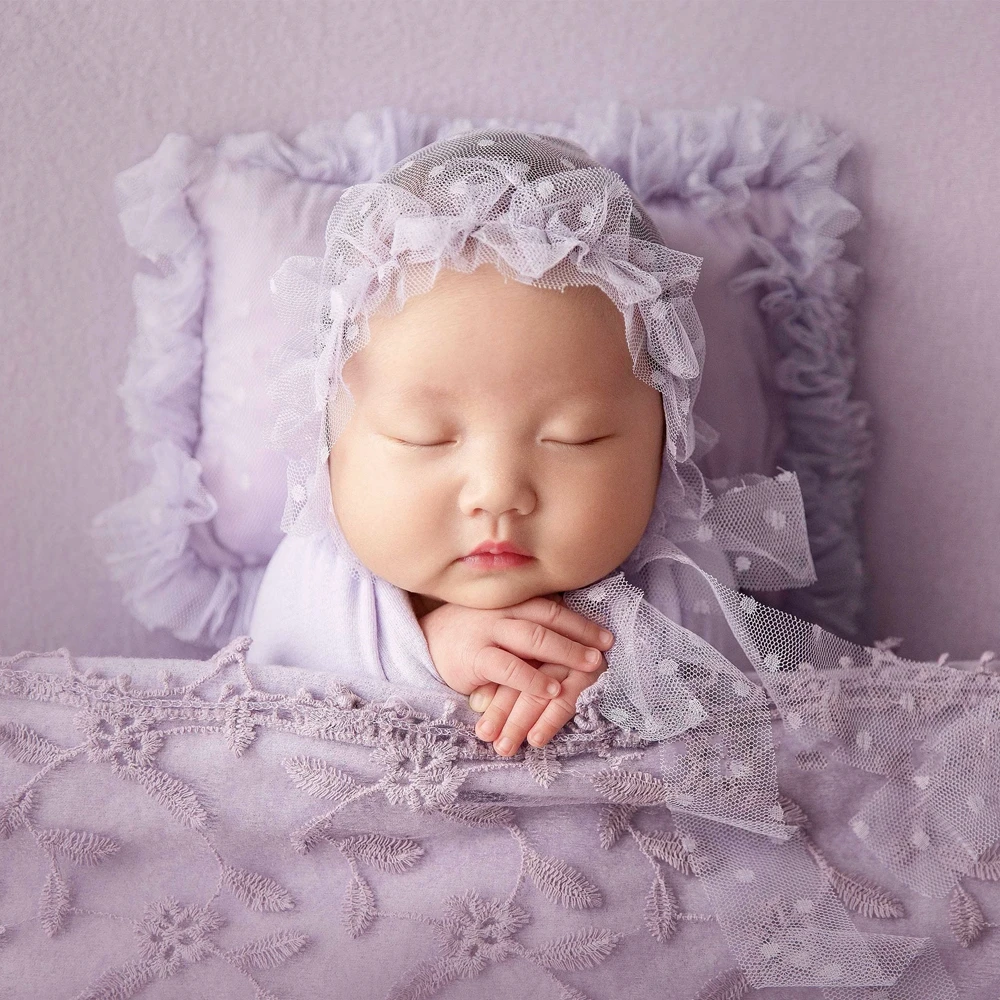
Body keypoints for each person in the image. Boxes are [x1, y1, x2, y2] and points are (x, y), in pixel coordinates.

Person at [247, 126, 814, 758]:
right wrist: (426, 652)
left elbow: (735, 705)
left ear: (662, 447)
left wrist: (607, 678)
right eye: (424, 436)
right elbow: (268, 689)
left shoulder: (674, 573)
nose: (499, 493)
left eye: (575, 438)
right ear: (332, 450)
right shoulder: (323, 576)